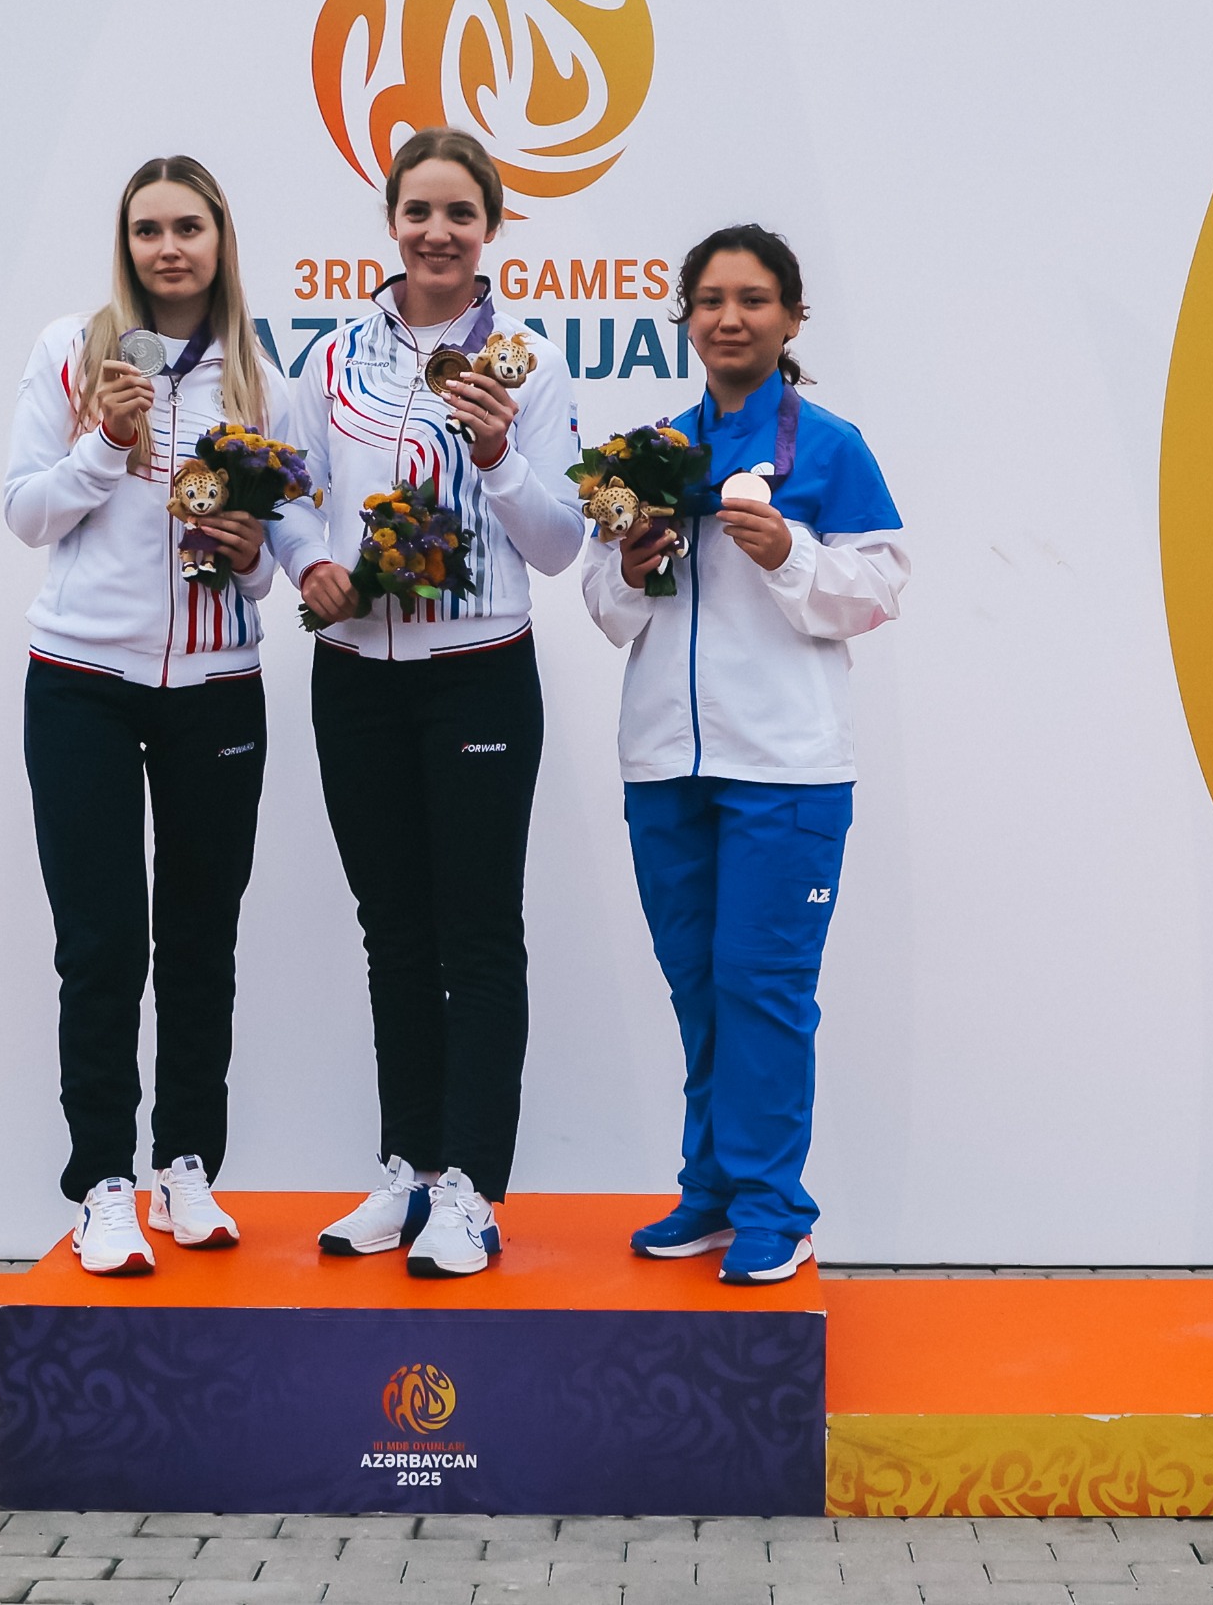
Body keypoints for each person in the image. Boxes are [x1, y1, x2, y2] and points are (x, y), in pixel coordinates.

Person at [271, 127, 584, 1278]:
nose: (437, 232)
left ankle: (469, 1186)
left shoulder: (526, 363)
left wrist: (498, 455)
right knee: (391, 929)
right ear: (391, 221)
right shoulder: (332, 358)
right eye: (419, 211)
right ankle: (406, 1165)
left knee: (477, 930)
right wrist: (310, 562)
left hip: (477, 671)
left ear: (489, 226)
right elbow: (288, 493)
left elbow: (558, 543)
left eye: (460, 213)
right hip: (355, 674)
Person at [580, 225, 908, 1285]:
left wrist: (790, 554)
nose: (730, 318)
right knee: (697, 983)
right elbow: (604, 609)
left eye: (754, 299)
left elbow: (880, 588)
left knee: (761, 987)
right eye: (712, 299)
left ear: (792, 318)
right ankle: (714, 1191)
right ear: (685, 317)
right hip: (664, 765)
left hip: (786, 771)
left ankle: (776, 1206)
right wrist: (631, 568)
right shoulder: (649, 454)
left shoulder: (831, 448)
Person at [4, 156, 291, 1276]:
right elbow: (26, 511)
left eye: (188, 228)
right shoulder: (71, 352)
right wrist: (104, 447)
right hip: (80, 679)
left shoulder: (259, 380)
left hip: (217, 686)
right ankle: (102, 1184)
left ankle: (185, 1165)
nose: (168, 248)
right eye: (148, 230)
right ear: (125, 244)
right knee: (103, 942)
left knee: (201, 939)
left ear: (221, 240)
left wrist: (251, 553)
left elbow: (273, 566)